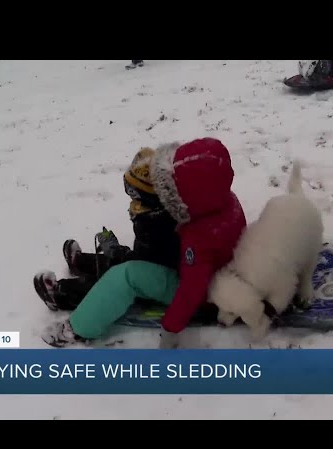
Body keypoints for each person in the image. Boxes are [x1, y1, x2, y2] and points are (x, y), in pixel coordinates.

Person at [41, 138, 247, 348]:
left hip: (204, 293)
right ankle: (86, 265)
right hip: (202, 269)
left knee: (127, 277)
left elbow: (191, 290)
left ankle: (76, 328)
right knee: (138, 260)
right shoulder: (221, 200)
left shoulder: (199, 237)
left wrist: (171, 327)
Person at [33, 147, 181, 312]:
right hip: (161, 267)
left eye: (133, 192)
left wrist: (116, 251)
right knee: (120, 264)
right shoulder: (164, 212)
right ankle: (81, 262)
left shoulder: (156, 224)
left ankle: (61, 294)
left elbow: (143, 264)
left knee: (114, 282)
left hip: (162, 280)